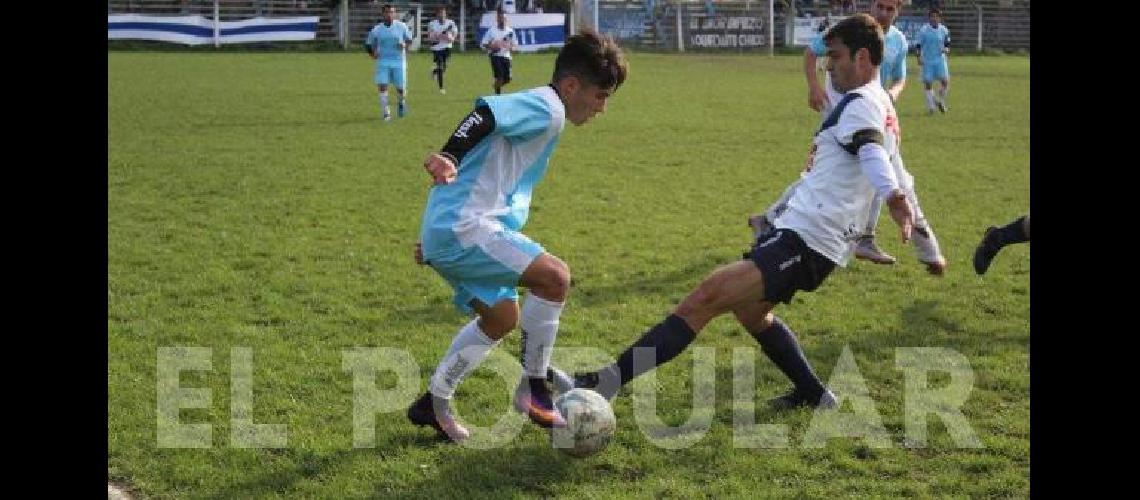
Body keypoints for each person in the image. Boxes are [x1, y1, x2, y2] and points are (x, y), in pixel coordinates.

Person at [561, 14, 915, 410]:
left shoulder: (863, 103)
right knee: (751, 312)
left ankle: (608, 381)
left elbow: (872, 152)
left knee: (705, 298)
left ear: (862, 56)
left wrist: (896, 200)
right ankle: (815, 395)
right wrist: (775, 214)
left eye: (834, 56)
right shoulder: (873, 100)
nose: (827, 65)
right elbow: (842, 169)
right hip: (803, 231)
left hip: (814, 239)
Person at [406, 30, 629, 442]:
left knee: (501, 318)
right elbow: (486, 114)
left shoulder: (549, 112)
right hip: (464, 227)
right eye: (601, 95)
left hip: (455, 228)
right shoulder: (548, 107)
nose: (601, 108)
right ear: (571, 85)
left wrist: (437, 243)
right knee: (555, 277)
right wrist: (449, 154)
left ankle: (433, 404)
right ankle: (534, 386)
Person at [757, 0, 945, 274]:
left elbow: (900, 77)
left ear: (898, 11)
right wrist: (814, 87)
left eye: (890, 8)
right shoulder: (852, 31)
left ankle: (771, 218)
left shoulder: (898, 41)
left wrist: (888, 96)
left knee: (870, 173)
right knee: (869, 173)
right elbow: (812, 53)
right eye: (879, 6)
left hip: (874, 114)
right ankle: (920, 250)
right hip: (844, 116)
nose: (883, 13)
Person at [364, 4, 414, 121]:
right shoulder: (377, 29)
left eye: (392, 12)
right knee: (382, 86)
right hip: (383, 62)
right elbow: (368, 44)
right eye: (387, 12)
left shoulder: (401, 26)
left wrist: (404, 45)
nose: (390, 15)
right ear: (383, 14)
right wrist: (372, 54)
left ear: (395, 13)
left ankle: (401, 102)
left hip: (399, 61)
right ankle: (386, 113)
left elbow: (409, 40)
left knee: (401, 89)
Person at [914, 7, 951, 114]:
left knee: (945, 82)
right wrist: (919, 57)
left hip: (940, 60)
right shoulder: (924, 30)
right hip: (927, 61)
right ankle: (931, 107)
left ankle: (940, 100)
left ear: (939, 18)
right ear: (929, 18)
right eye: (932, 16)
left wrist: (946, 49)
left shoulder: (944, 30)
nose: (934, 18)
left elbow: (947, 43)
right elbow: (918, 45)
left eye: (936, 16)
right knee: (928, 84)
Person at [480, 9, 519, 95]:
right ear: (497, 19)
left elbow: (515, 44)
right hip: (495, 56)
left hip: (506, 57)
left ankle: (496, 86)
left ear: (506, 19)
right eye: (500, 18)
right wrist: (492, 47)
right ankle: (497, 95)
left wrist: (512, 48)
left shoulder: (510, 31)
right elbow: (483, 44)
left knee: (508, 79)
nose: (502, 20)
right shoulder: (491, 31)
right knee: (500, 77)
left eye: (503, 18)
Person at [427, 5, 460, 94]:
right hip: (436, 48)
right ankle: (441, 88)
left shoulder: (451, 23)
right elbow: (430, 37)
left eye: (443, 13)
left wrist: (450, 38)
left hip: (447, 47)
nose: (442, 15)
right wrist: (437, 36)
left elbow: (454, 35)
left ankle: (434, 72)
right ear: (437, 14)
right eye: (440, 13)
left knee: (444, 67)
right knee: (440, 66)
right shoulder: (432, 24)